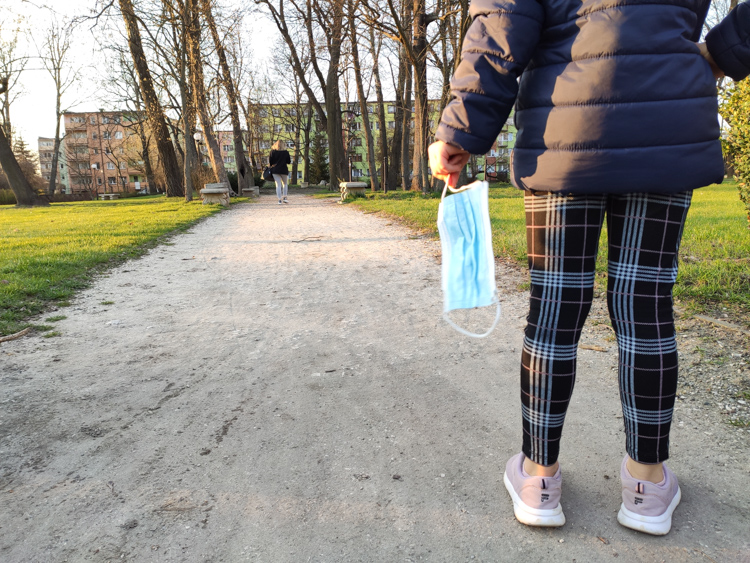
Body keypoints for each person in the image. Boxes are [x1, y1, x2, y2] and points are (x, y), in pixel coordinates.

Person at [429, 0, 750, 535]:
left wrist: (461, 128)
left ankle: (538, 479)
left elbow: (502, 23)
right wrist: (724, 51)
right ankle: (647, 484)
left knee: (555, 311)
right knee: (644, 308)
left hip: (565, 132)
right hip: (665, 119)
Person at [269, 140, 291, 204]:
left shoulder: (272, 152)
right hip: (284, 169)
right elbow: (288, 162)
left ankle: (279, 200)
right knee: (285, 184)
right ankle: (285, 197)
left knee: (278, 185)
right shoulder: (286, 152)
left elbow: (271, 162)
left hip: (275, 170)